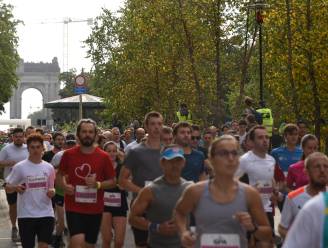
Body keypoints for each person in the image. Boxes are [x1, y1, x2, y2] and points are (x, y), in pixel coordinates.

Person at [175, 135, 272, 248]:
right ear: (211, 159)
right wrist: (183, 232)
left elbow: (267, 234)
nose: (230, 158)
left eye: (234, 153)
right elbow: (179, 212)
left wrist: (253, 227)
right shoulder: (195, 191)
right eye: (223, 153)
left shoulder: (250, 194)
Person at [57, 119, 116, 248]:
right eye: (84, 131)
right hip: (74, 207)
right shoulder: (68, 154)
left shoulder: (104, 157)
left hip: (95, 209)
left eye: (90, 132)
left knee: (89, 245)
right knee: (78, 241)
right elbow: (59, 175)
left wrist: (98, 185)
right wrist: (64, 186)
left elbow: (113, 181)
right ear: (78, 134)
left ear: (95, 135)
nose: (87, 134)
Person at [129, 145, 193, 247]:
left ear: (184, 163)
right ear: (162, 163)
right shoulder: (150, 190)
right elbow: (132, 218)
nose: (175, 165)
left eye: (178, 161)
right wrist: (157, 227)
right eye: (171, 161)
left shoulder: (190, 189)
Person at [119, 111, 163, 248]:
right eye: (153, 124)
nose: (156, 127)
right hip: (141, 206)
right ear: (146, 126)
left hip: (164, 207)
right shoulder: (135, 151)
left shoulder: (170, 151)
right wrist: (143, 192)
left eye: (159, 124)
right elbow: (122, 180)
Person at [5, 134, 56, 248]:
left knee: (43, 245)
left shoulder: (49, 167)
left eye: (38, 147)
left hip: (46, 213)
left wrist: (52, 191)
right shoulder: (20, 167)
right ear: (28, 149)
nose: (35, 150)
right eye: (32, 147)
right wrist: (15, 188)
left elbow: (51, 187)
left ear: (43, 148)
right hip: (26, 215)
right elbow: (8, 188)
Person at [235, 126, 276, 237]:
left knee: (267, 242)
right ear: (252, 141)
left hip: (267, 209)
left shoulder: (271, 160)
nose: (265, 140)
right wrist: (250, 191)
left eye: (267, 137)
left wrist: (274, 191)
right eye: (260, 137)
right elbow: (231, 183)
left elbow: (270, 181)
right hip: (249, 211)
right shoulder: (244, 160)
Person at [278, 152, 328, 240]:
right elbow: (282, 228)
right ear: (306, 171)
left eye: (326, 166)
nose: (322, 170)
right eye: (317, 166)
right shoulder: (293, 197)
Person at [0, 127, 29, 242]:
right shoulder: (6, 149)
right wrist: (8, 162)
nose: (18, 138)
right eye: (16, 137)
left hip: (26, 182)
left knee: (25, 206)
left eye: (20, 136)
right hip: (11, 183)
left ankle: (24, 229)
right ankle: (13, 227)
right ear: (12, 137)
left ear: (24, 137)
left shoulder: (28, 148)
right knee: (13, 206)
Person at [51, 134, 77, 248]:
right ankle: (57, 237)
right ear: (65, 145)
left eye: (73, 144)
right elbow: (52, 172)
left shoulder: (80, 155)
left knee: (74, 224)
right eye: (69, 144)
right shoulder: (59, 155)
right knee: (61, 222)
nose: (71, 146)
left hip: (75, 193)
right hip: (61, 192)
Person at [101, 141, 128, 248]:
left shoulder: (122, 167)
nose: (111, 153)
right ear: (104, 152)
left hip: (120, 204)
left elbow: (130, 181)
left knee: (119, 241)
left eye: (114, 151)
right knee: (107, 239)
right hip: (104, 205)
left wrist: (124, 185)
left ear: (117, 152)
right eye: (109, 151)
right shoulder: (100, 166)